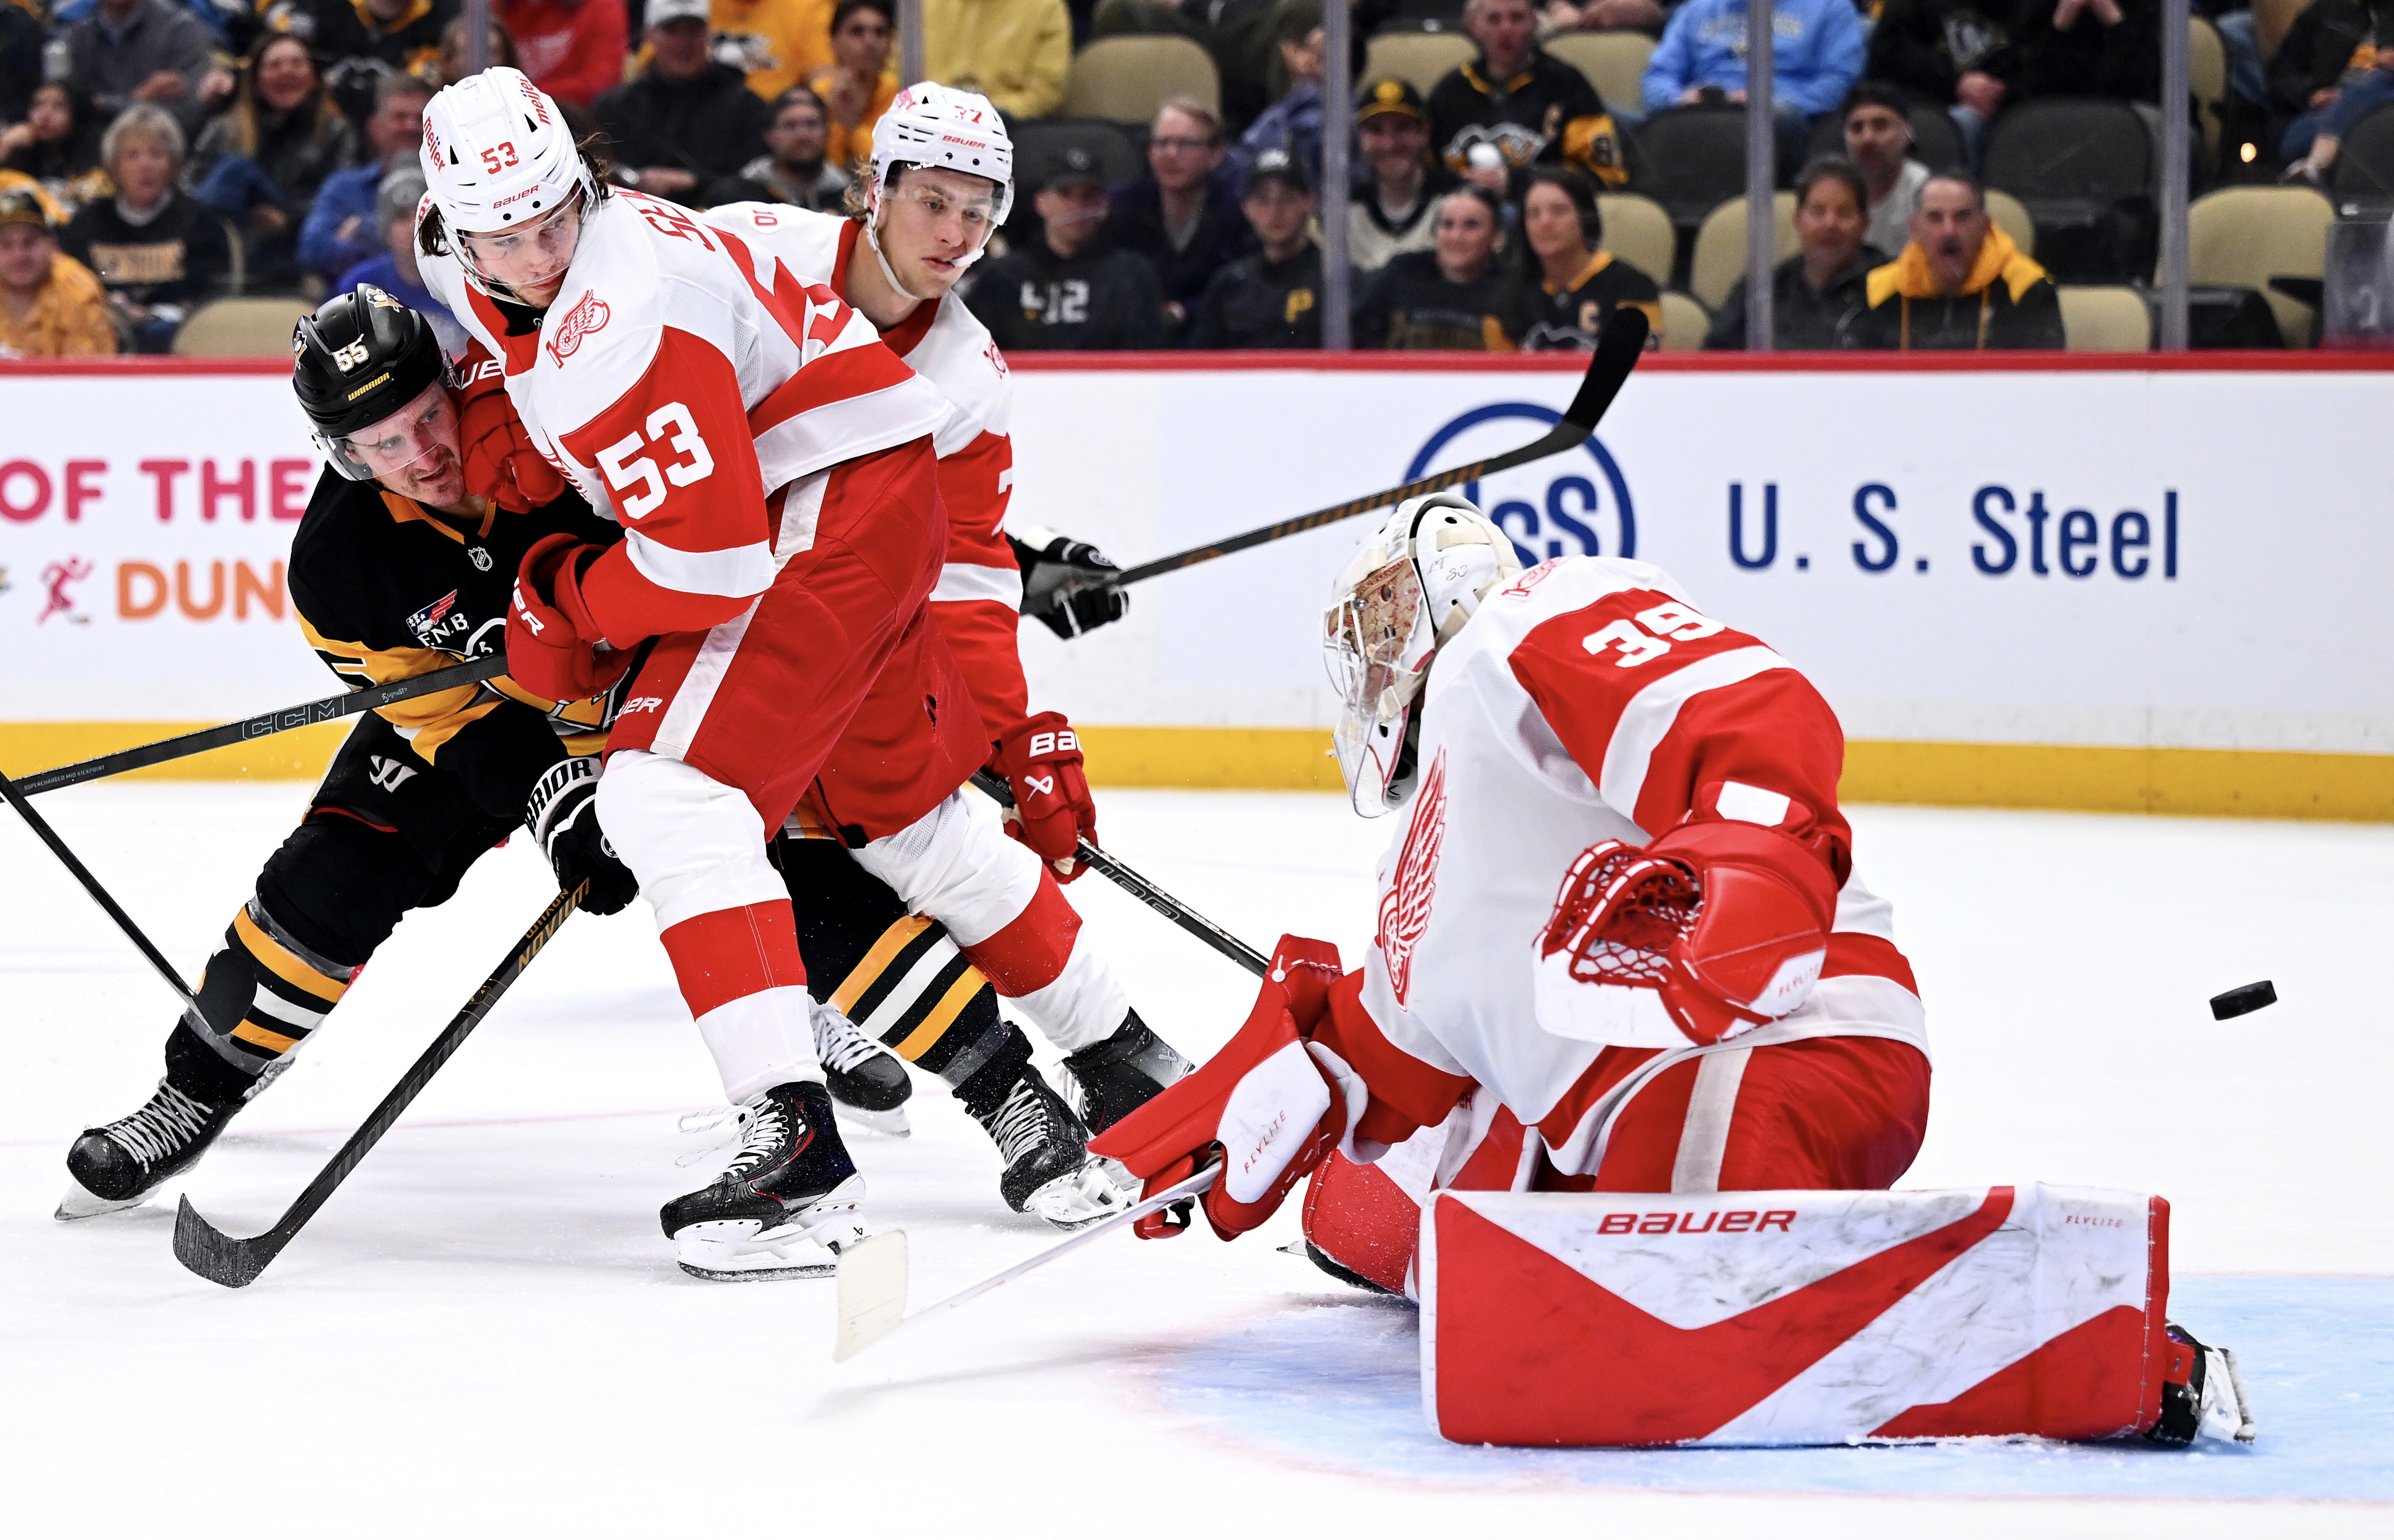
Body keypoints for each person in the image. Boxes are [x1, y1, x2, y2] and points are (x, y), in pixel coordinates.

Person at [1086, 496, 2253, 1452]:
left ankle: (2076, 1332)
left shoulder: (1520, 626)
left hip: (1776, 1044)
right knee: (1453, 1252)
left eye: (1386, 615)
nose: (1373, 655)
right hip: (1651, 1108)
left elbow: (1737, 705)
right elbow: (1384, 1063)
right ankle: (1571, 1258)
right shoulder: (1411, 875)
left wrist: (1743, 855)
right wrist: (1275, 1082)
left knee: (1659, 1319)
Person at [416, 71, 1180, 1270]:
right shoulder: (703, 241)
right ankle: (1125, 1052)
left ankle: (796, 1156)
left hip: (819, 529)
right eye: (502, 233)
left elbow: (719, 563)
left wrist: (565, 608)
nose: (535, 252)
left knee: (664, 794)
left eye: (553, 218)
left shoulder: (632, 315)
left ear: (585, 185)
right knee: (912, 828)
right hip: (846, 508)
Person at [704, 84, 1197, 1218]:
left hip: (859, 644)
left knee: (940, 847)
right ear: (870, 189)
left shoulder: (967, 374)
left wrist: (1014, 731)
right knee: (751, 860)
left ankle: (1119, 1052)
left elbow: (968, 572)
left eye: (978, 212)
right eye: (930, 201)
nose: (952, 235)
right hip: (710, 626)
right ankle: (860, 1041)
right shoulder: (747, 250)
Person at [55, 288, 636, 1220]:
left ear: (457, 386)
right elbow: (445, 717)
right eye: (386, 445)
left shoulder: (560, 432)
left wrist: (617, 761)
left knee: (750, 834)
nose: (426, 456)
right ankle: (197, 1087)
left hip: (653, 691)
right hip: (486, 714)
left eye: (428, 419)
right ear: (344, 454)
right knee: (332, 873)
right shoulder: (338, 564)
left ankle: (816, 1026)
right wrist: (552, 791)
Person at [189, 33, 359, 289]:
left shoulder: (336, 131)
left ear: (314, 77)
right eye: (274, 65)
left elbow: (343, 197)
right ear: (256, 81)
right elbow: (191, 185)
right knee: (235, 171)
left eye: (297, 64)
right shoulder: (226, 128)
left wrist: (286, 219)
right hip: (238, 233)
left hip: (301, 238)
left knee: (237, 170)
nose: (286, 72)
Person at [61, 105, 231, 352]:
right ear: (114, 166)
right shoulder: (87, 224)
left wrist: (159, 312)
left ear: (173, 165)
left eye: (156, 155)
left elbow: (212, 294)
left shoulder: (200, 222)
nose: (145, 166)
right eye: (132, 155)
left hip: (179, 340)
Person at [967, 143, 1167, 350]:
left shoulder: (1131, 275)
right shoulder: (1004, 276)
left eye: (1088, 196)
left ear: (1103, 205)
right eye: (1065, 194)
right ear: (1041, 202)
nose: (1077, 206)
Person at [1428, 0, 1631, 189]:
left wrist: (1517, 182)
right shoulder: (1450, 91)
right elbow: (1420, 174)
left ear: (1535, 23)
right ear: (1473, 26)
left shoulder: (1567, 85)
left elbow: (1606, 175)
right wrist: (1460, 181)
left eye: (1517, 18)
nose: (1506, 29)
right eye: (1494, 19)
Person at [1642, 0, 1866, 169]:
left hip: (1781, 115)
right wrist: (1678, 99)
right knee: (1610, 120)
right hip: (1698, 111)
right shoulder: (1696, 9)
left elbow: (1839, 80)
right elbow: (1658, 77)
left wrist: (1767, 100)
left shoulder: (1832, 7)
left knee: (1775, 115)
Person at [1857, 169, 2064, 349]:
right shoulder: (1880, 291)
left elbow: (2042, 386)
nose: (1949, 231)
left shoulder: (2027, 288)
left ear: (1985, 227)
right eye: (1935, 218)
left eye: (1962, 217)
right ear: (1916, 229)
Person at [595, 0, 776, 205]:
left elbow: (757, 180)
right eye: (672, 30)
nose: (684, 42)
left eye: (694, 30)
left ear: (708, 34)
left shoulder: (746, 106)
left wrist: (696, 182)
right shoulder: (616, 107)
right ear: (649, 35)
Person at [1099, 99, 1251, 337]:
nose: (1171, 154)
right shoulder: (1123, 206)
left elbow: (1246, 289)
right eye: (1162, 143)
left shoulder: (1238, 208)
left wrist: (1186, 311)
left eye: (1186, 144)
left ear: (1214, 154)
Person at [1705, 157, 1886, 349]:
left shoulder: (1892, 290)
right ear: (1798, 221)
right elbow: (1713, 364)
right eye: (1818, 212)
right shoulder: (1762, 292)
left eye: (1844, 213)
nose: (1830, 224)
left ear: (1864, 224)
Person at [301, 71, 435, 284]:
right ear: (376, 128)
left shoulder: (458, 189)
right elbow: (312, 252)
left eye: (421, 119)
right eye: (399, 118)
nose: (411, 126)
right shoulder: (344, 188)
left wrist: (362, 230)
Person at [1354, 185, 1524, 350]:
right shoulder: (1402, 272)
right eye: (1448, 225)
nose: (1456, 237)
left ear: (1497, 236)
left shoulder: (1515, 287)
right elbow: (1354, 332)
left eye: (1471, 225)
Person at [1513, 165, 1661, 351]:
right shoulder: (1510, 293)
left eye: (1559, 211)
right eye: (1534, 214)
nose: (1545, 223)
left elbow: (1642, 370)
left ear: (1586, 218)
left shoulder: (1630, 286)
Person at [1188, 147, 1323, 348]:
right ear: (1246, 208)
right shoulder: (1229, 285)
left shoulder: (1334, 282)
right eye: (1262, 199)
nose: (1275, 211)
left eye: (1288, 198)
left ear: (1309, 202)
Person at [1863, 0, 2017, 168]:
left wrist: (1998, 90)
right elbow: (1891, 57)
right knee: (1962, 122)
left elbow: (2032, 60)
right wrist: (1957, 82)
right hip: (1935, 100)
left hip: (2011, 100)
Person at [332, 171, 468, 351]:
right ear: (385, 230)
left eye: (422, 214)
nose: (414, 227)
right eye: (402, 217)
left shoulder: (470, 280)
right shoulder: (358, 288)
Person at [1348, 77, 1458, 276]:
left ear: (1425, 133)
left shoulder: (1458, 200)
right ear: (1360, 138)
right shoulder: (1344, 210)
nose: (1390, 144)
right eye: (1376, 131)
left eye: (1403, 128)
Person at [60, 0, 218, 137]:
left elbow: (190, 114)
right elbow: (67, 111)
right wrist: (139, 99)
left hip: (170, 155)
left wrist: (101, 104)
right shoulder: (75, 36)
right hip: (89, 158)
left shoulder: (181, 31)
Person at [0, 187, 116, 358]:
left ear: (52, 244)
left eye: (30, 242)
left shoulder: (77, 288)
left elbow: (86, 373)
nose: (19, 256)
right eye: (6, 245)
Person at [302, 0, 457, 126]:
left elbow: (420, 89)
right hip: (322, 125)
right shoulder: (330, 9)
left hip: (398, 130)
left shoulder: (437, 19)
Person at [922, 0, 1071, 120]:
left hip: (1005, 134)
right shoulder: (924, 5)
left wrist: (988, 114)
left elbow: (1046, 92)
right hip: (921, 124)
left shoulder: (1046, 7)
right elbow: (899, 71)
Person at [1232, 2, 1325, 185]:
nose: (1314, 60)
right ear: (1289, 51)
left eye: (1323, 55)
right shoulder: (1273, 123)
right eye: (1308, 50)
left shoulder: (1355, 117)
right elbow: (1242, 163)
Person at [714, 84, 850, 208]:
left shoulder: (849, 199)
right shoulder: (734, 197)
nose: (803, 135)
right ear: (769, 136)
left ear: (828, 132)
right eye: (790, 126)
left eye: (812, 124)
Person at [1842, 83, 1932, 259]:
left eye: (1881, 126)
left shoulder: (1925, 191)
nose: (1867, 138)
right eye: (1857, 128)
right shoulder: (1836, 190)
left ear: (1907, 135)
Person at [807, 0, 898, 171]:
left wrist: (852, 127)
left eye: (880, 33)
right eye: (857, 32)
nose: (870, 42)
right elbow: (814, 169)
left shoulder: (902, 99)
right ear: (833, 42)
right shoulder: (815, 97)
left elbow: (891, 167)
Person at [0, 84, 112, 220]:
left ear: (77, 113)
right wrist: (5, 147)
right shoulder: (23, 150)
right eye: (38, 105)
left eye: (59, 107)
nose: (45, 115)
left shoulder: (100, 149)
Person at [496, 0, 631, 107]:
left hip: (571, 123)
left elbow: (597, 87)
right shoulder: (505, 8)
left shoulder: (604, 10)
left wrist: (520, 94)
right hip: (507, 113)